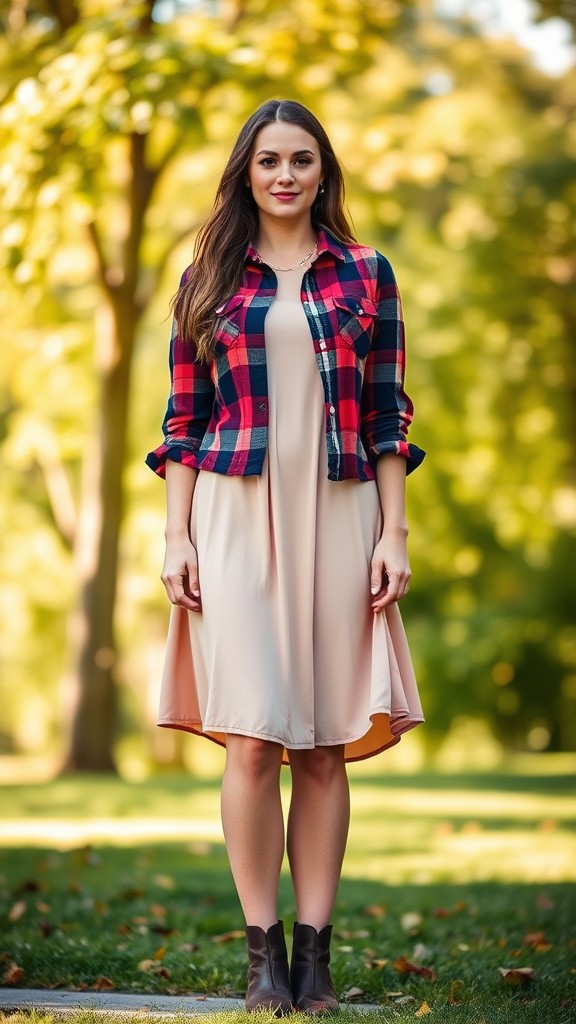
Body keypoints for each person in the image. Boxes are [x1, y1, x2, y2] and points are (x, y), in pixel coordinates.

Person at [146, 98, 425, 1016]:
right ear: (246, 172)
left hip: (341, 513)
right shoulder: (207, 280)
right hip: (231, 515)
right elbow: (183, 425)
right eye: (268, 160)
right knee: (255, 738)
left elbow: (389, 412)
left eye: (301, 159)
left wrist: (394, 530)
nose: (285, 176)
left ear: (323, 171)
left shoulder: (367, 275)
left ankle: (315, 954)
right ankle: (261, 953)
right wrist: (176, 532)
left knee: (323, 747)